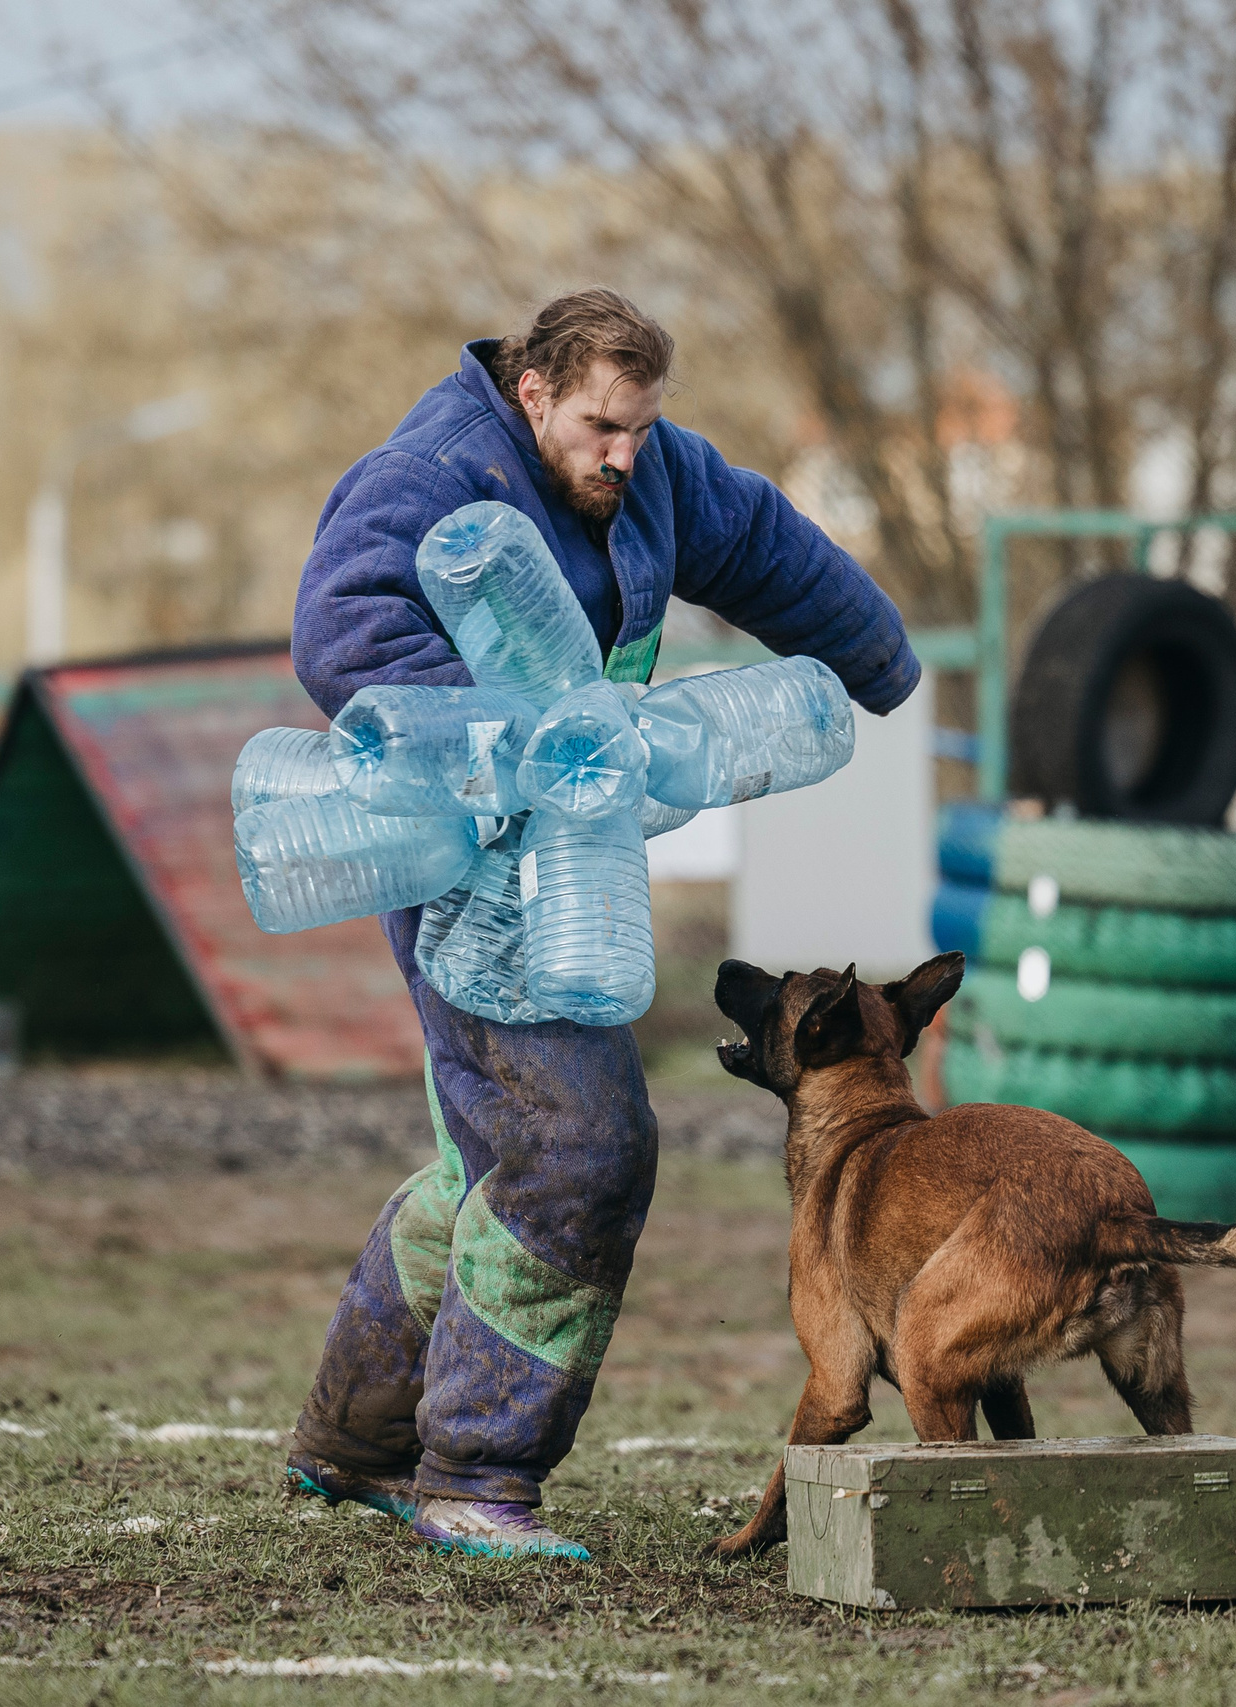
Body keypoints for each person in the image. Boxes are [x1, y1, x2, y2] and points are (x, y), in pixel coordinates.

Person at [281, 288, 919, 1558]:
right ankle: (474, 1472)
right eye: (598, 427)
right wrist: (518, 739)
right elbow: (341, 631)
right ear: (533, 394)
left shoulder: (651, 472)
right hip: (464, 859)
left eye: (640, 427)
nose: (622, 453)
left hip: (571, 860)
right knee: (579, 1148)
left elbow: (765, 547)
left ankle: (354, 1440)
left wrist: (880, 665)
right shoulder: (429, 477)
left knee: (492, 1161)